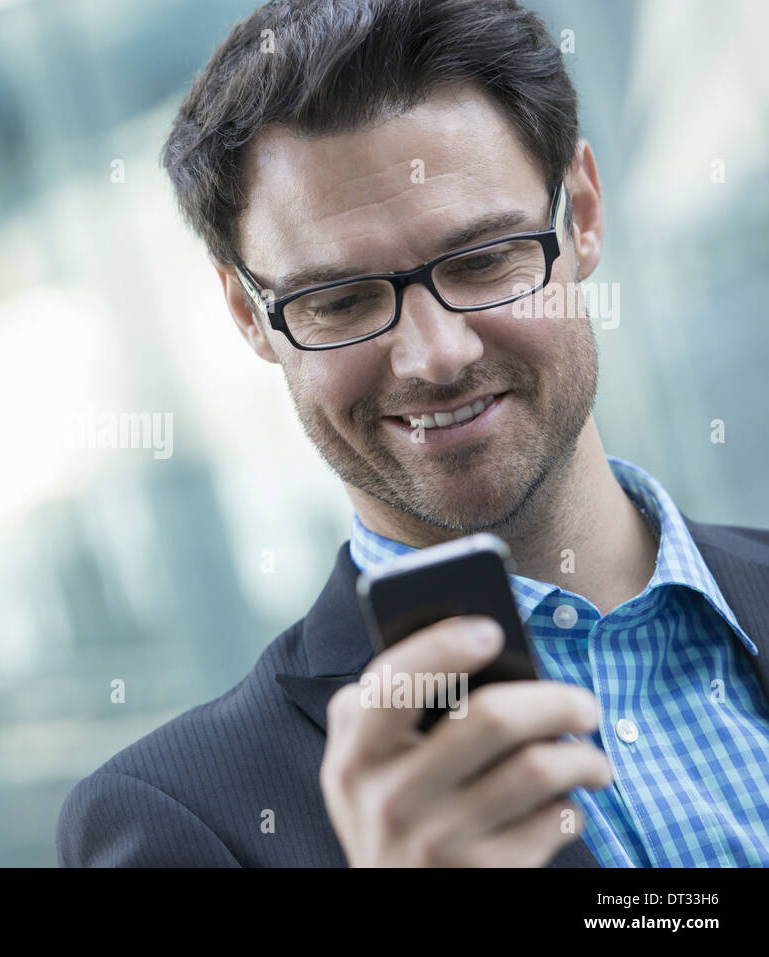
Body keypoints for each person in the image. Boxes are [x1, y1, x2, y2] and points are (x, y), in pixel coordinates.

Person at [56, 0, 769, 866]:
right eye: (341, 300)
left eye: (483, 260)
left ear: (580, 215)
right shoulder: (174, 823)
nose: (436, 355)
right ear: (250, 315)